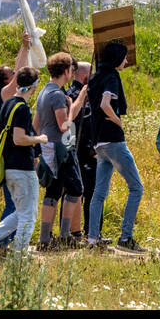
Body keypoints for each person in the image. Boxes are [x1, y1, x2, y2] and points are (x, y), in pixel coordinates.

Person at [0, 68, 46, 255]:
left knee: (20, 212)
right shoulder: (23, 108)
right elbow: (19, 138)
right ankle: (19, 256)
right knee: (28, 216)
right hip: (22, 168)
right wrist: (39, 139)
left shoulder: (7, 104)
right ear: (34, 86)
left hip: (9, 167)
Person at [87, 41, 145, 252]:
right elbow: (105, 104)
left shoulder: (96, 77)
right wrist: (118, 122)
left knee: (99, 193)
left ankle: (93, 238)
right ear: (116, 59)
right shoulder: (111, 77)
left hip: (99, 143)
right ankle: (125, 238)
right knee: (137, 188)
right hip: (113, 140)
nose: (127, 60)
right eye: (124, 57)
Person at [35, 53, 85, 251]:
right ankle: (64, 235)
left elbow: (36, 124)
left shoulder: (44, 92)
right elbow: (64, 125)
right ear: (66, 71)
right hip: (61, 148)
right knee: (76, 188)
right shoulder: (56, 94)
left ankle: (44, 239)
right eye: (72, 71)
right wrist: (76, 103)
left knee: (53, 191)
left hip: (48, 147)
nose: (73, 74)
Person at [66, 60, 94, 242]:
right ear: (85, 77)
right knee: (89, 192)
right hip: (86, 151)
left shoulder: (66, 94)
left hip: (70, 149)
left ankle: (68, 230)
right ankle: (89, 231)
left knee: (69, 193)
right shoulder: (85, 96)